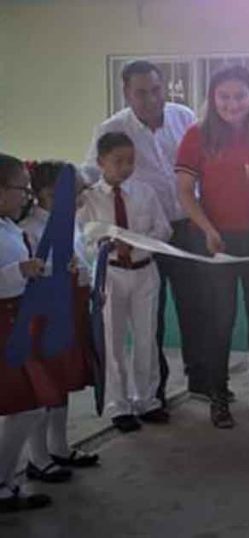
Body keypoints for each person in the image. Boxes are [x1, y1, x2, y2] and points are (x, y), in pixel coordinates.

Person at [176, 64, 249, 428]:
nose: (232, 103)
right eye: (223, 96)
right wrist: (206, 228)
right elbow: (184, 192)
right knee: (220, 321)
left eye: (239, 96)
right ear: (212, 98)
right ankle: (218, 397)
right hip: (217, 240)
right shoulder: (197, 136)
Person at [83, 60, 200, 401]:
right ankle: (153, 392)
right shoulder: (112, 128)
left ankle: (201, 378)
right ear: (126, 92)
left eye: (155, 90)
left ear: (164, 87)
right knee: (151, 320)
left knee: (196, 307)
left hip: (186, 226)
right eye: (141, 92)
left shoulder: (184, 117)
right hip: (141, 237)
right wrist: (64, 188)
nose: (150, 99)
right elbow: (91, 171)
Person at [79, 133, 171, 432]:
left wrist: (138, 245)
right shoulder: (89, 198)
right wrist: (105, 248)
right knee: (113, 340)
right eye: (118, 161)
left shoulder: (144, 192)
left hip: (145, 271)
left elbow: (163, 229)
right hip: (111, 275)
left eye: (130, 161)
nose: (125, 167)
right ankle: (119, 405)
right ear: (101, 162)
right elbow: (84, 241)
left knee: (146, 338)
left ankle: (147, 400)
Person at [20, 161, 99, 481]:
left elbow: (79, 264)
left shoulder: (70, 222)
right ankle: (37, 458)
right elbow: (30, 275)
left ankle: (59, 447)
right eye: (78, 192)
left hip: (70, 311)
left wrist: (87, 278)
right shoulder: (29, 229)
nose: (82, 199)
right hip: (43, 317)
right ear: (49, 194)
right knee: (44, 389)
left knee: (63, 382)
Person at [0, 153, 57, 512]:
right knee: (27, 405)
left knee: (32, 406)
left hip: (17, 319)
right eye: (21, 189)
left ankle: (6, 480)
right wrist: (19, 270)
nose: (27, 196)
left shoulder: (8, 225)